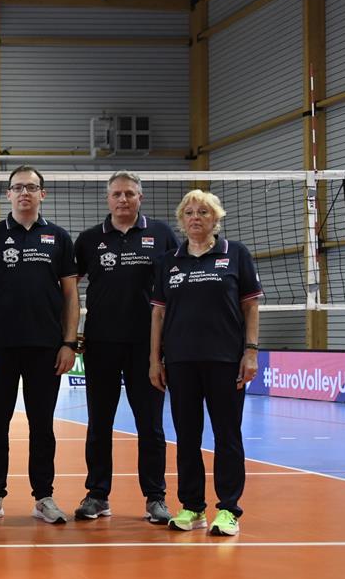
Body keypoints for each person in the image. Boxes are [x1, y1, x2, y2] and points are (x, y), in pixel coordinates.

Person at [0, 165, 79, 525]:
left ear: (42, 194)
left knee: (42, 426)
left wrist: (69, 343)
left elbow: (71, 295)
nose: (24, 193)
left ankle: (43, 497)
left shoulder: (59, 238)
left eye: (31, 187)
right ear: (8, 194)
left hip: (46, 348)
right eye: (17, 188)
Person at [150, 189, 261, 537]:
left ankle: (228, 509)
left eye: (203, 212)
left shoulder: (236, 254)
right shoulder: (169, 261)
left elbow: (250, 307)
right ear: (181, 220)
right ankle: (192, 507)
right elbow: (158, 314)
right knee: (186, 436)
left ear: (216, 218)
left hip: (225, 360)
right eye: (189, 213)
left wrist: (251, 351)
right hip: (181, 361)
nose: (196, 218)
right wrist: (154, 359)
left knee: (227, 435)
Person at [73, 172, 178, 525]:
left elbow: (176, 284)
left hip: (147, 346)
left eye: (130, 194)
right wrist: (70, 333)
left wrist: (169, 342)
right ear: (108, 198)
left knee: (150, 425)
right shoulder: (89, 239)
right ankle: (97, 494)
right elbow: (68, 287)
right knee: (99, 423)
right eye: (117, 194)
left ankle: (155, 497)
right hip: (101, 343)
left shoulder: (161, 234)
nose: (123, 199)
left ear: (140, 198)